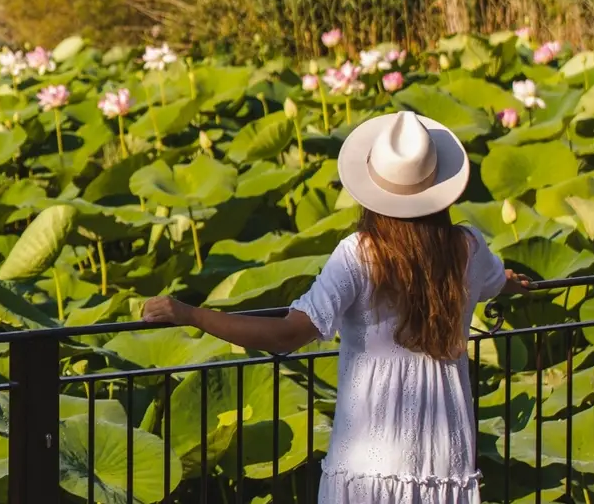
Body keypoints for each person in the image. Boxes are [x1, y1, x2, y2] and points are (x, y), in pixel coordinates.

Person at [142, 110, 528, 503]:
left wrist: (191, 314)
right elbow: (496, 282)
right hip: (443, 459)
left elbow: (287, 335)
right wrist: (514, 283)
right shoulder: (468, 248)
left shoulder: (361, 255)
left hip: (370, 463)